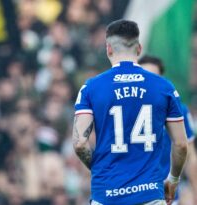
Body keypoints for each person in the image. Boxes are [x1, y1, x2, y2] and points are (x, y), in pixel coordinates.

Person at [73, 19, 188, 205]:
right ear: (139, 48)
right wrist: (173, 180)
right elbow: (181, 144)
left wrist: (100, 169)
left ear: (108, 48)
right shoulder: (164, 87)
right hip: (150, 194)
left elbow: (79, 143)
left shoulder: (91, 88)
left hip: (106, 195)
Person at [139, 55, 197, 205]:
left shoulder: (178, 111)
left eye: (153, 78)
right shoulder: (123, 110)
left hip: (166, 196)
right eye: (144, 78)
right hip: (132, 195)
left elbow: (190, 156)